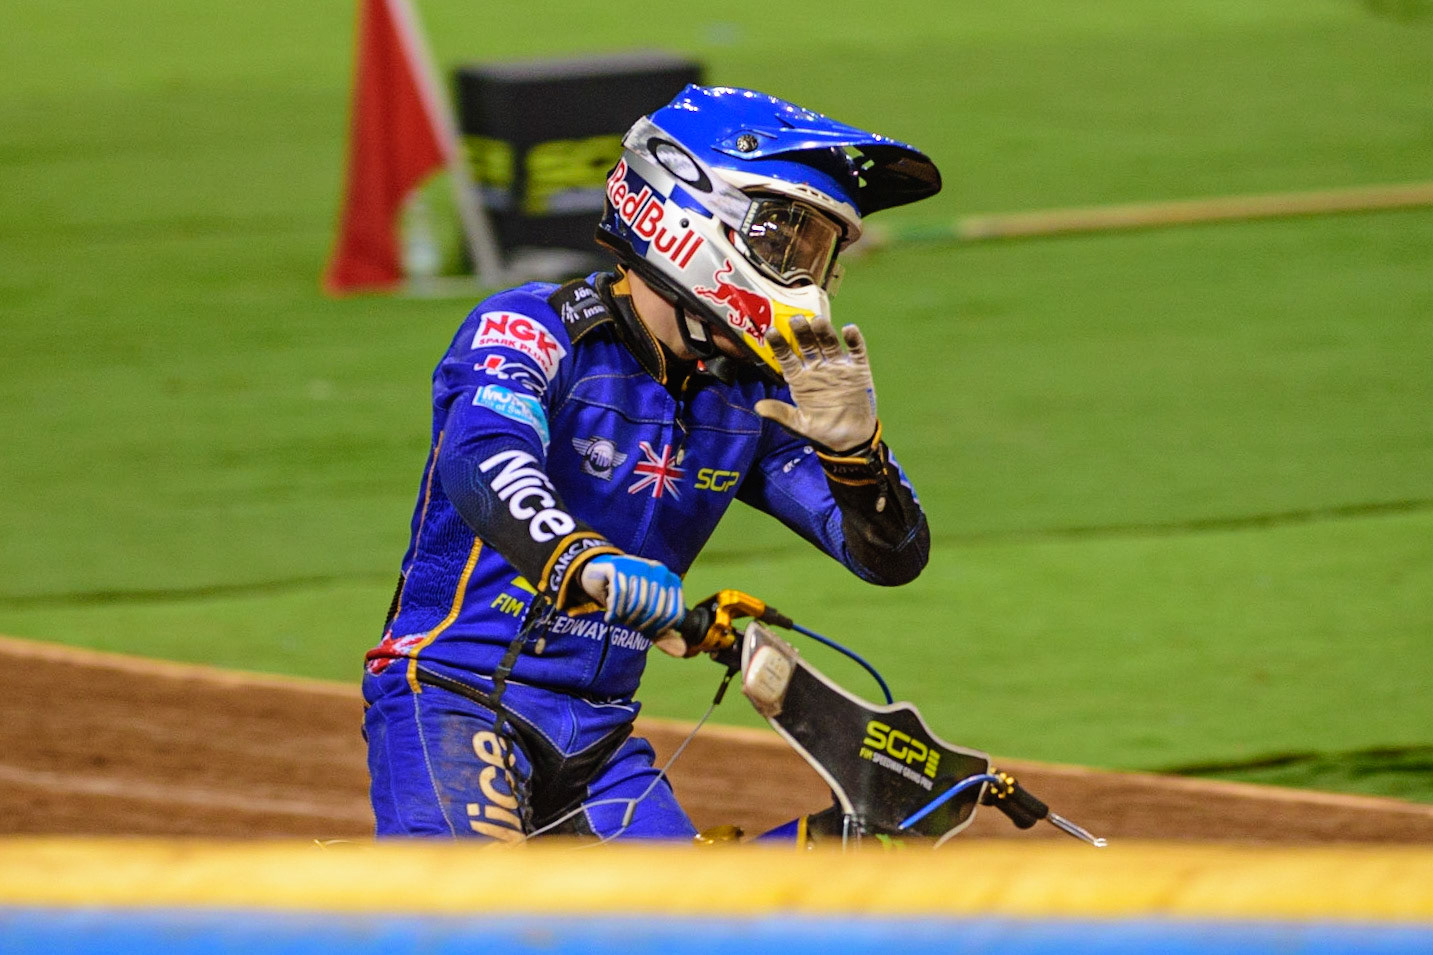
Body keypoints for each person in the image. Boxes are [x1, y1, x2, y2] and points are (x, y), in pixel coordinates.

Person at [362, 84, 942, 841]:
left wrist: (855, 453)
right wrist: (583, 563)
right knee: (477, 921)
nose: (803, 278)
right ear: (684, 214)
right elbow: (483, 461)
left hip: (597, 740)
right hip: (451, 692)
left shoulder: (757, 395)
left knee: (734, 910)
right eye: (784, 242)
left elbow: (888, 557)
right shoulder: (530, 325)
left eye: (817, 254)